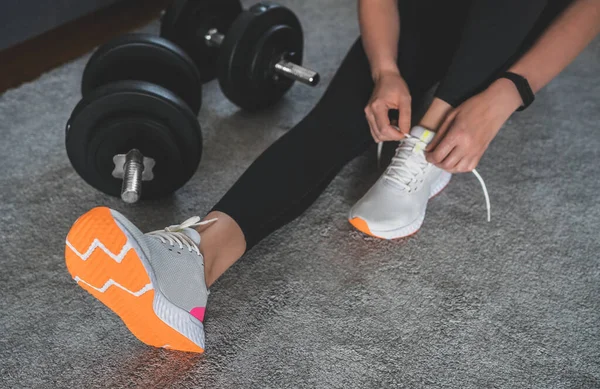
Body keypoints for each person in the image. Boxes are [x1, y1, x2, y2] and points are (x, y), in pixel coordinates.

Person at [64, 0, 600, 353]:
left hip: (522, 21)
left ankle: (427, 145)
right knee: (336, 121)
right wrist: (385, 71)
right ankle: (191, 262)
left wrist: (505, 97)